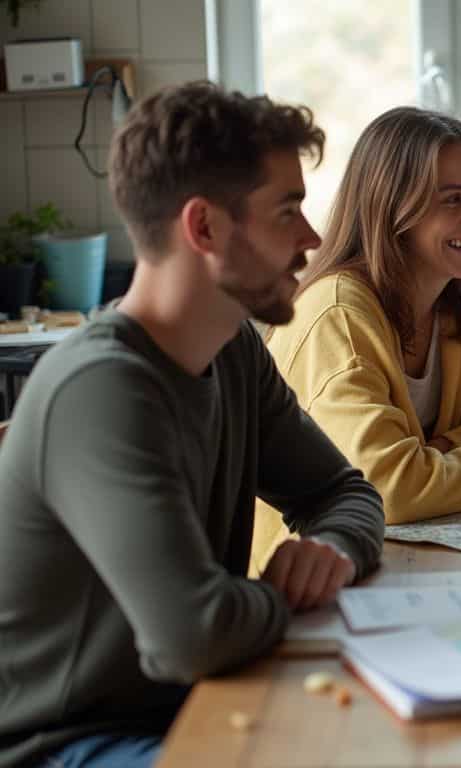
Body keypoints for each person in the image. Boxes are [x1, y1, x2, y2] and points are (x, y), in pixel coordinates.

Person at [0, 82, 385, 768]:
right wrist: (280, 598)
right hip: (69, 745)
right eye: (287, 211)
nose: (313, 239)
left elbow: (346, 492)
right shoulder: (102, 390)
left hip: (196, 699)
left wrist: (333, 553)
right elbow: (193, 634)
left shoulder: (233, 349)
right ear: (204, 228)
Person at [251, 107, 461, 573]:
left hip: (415, 560)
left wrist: (443, 450)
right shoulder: (338, 316)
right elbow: (390, 490)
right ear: (392, 207)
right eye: (452, 200)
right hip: (305, 587)